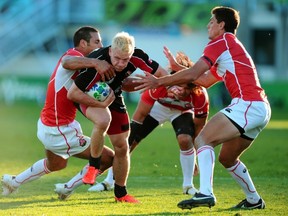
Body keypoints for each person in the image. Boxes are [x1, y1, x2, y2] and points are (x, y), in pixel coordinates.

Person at [134, 6, 271, 210]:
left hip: (247, 104)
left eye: (211, 21)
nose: (208, 25)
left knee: (202, 140)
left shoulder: (219, 43)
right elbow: (204, 80)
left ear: (221, 25)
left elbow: (192, 76)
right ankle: (254, 200)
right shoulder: (229, 46)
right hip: (260, 108)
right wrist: (178, 67)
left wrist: (160, 81)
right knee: (227, 158)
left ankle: (205, 193)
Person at [1, 26, 116, 198]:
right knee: (108, 158)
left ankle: (13, 182)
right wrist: (96, 62)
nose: (101, 45)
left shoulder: (82, 63)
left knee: (57, 164)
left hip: (47, 125)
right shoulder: (75, 56)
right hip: (60, 129)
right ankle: (67, 187)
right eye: (97, 41)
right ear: (83, 43)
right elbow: (66, 62)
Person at [65, 31, 169, 203]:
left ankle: (121, 193)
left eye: (125, 59)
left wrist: (157, 84)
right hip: (86, 95)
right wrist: (102, 104)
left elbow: (163, 74)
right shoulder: (98, 63)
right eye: (117, 58)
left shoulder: (137, 56)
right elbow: (73, 94)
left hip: (113, 94)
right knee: (103, 120)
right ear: (111, 51)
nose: (121, 64)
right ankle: (93, 166)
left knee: (122, 147)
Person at [89, 51, 209, 195]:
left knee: (185, 139)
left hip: (182, 112)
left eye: (184, 87)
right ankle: (109, 181)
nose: (179, 90)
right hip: (158, 108)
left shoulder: (199, 94)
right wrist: (131, 138)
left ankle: (188, 185)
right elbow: (139, 117)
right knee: (127, 144)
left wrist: (193, 150)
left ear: (192, 86)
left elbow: (199, 126)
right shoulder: (158, 86)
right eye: (177, 84)